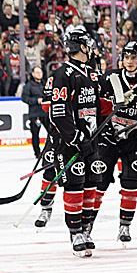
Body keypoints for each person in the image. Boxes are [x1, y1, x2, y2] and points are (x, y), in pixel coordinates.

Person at [91, 41, 137, 243]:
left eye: (134, 57)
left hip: (134, 141)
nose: (130, 61)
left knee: (131, 183)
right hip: (107, 139)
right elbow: (95, 104)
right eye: (127, 57)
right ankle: (88, 223)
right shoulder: (110, 78)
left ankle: (125, 226)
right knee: (99, 183)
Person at [45, 26, 102, 256]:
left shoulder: (90, 73)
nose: (91, 48)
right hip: (71, 144)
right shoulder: (62, 74)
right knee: (75, 185)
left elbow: (100, 105)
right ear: (79, 46)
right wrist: (76, 138)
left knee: (92, 184)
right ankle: (75, 231)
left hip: (92, 140)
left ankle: (86, 229)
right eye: (88, 44)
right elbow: (58, 112)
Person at [21, 65, 49, 158]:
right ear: (32, 74)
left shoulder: (45, 83)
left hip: (46, 112)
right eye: (37, 72)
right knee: (35, 134)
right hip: (35, 113)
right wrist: (36, 101)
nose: (39, 74)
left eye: (40, 72)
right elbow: (25, 98)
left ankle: (50, 149)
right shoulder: (28, 85)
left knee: (51, 132)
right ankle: (37, 152)